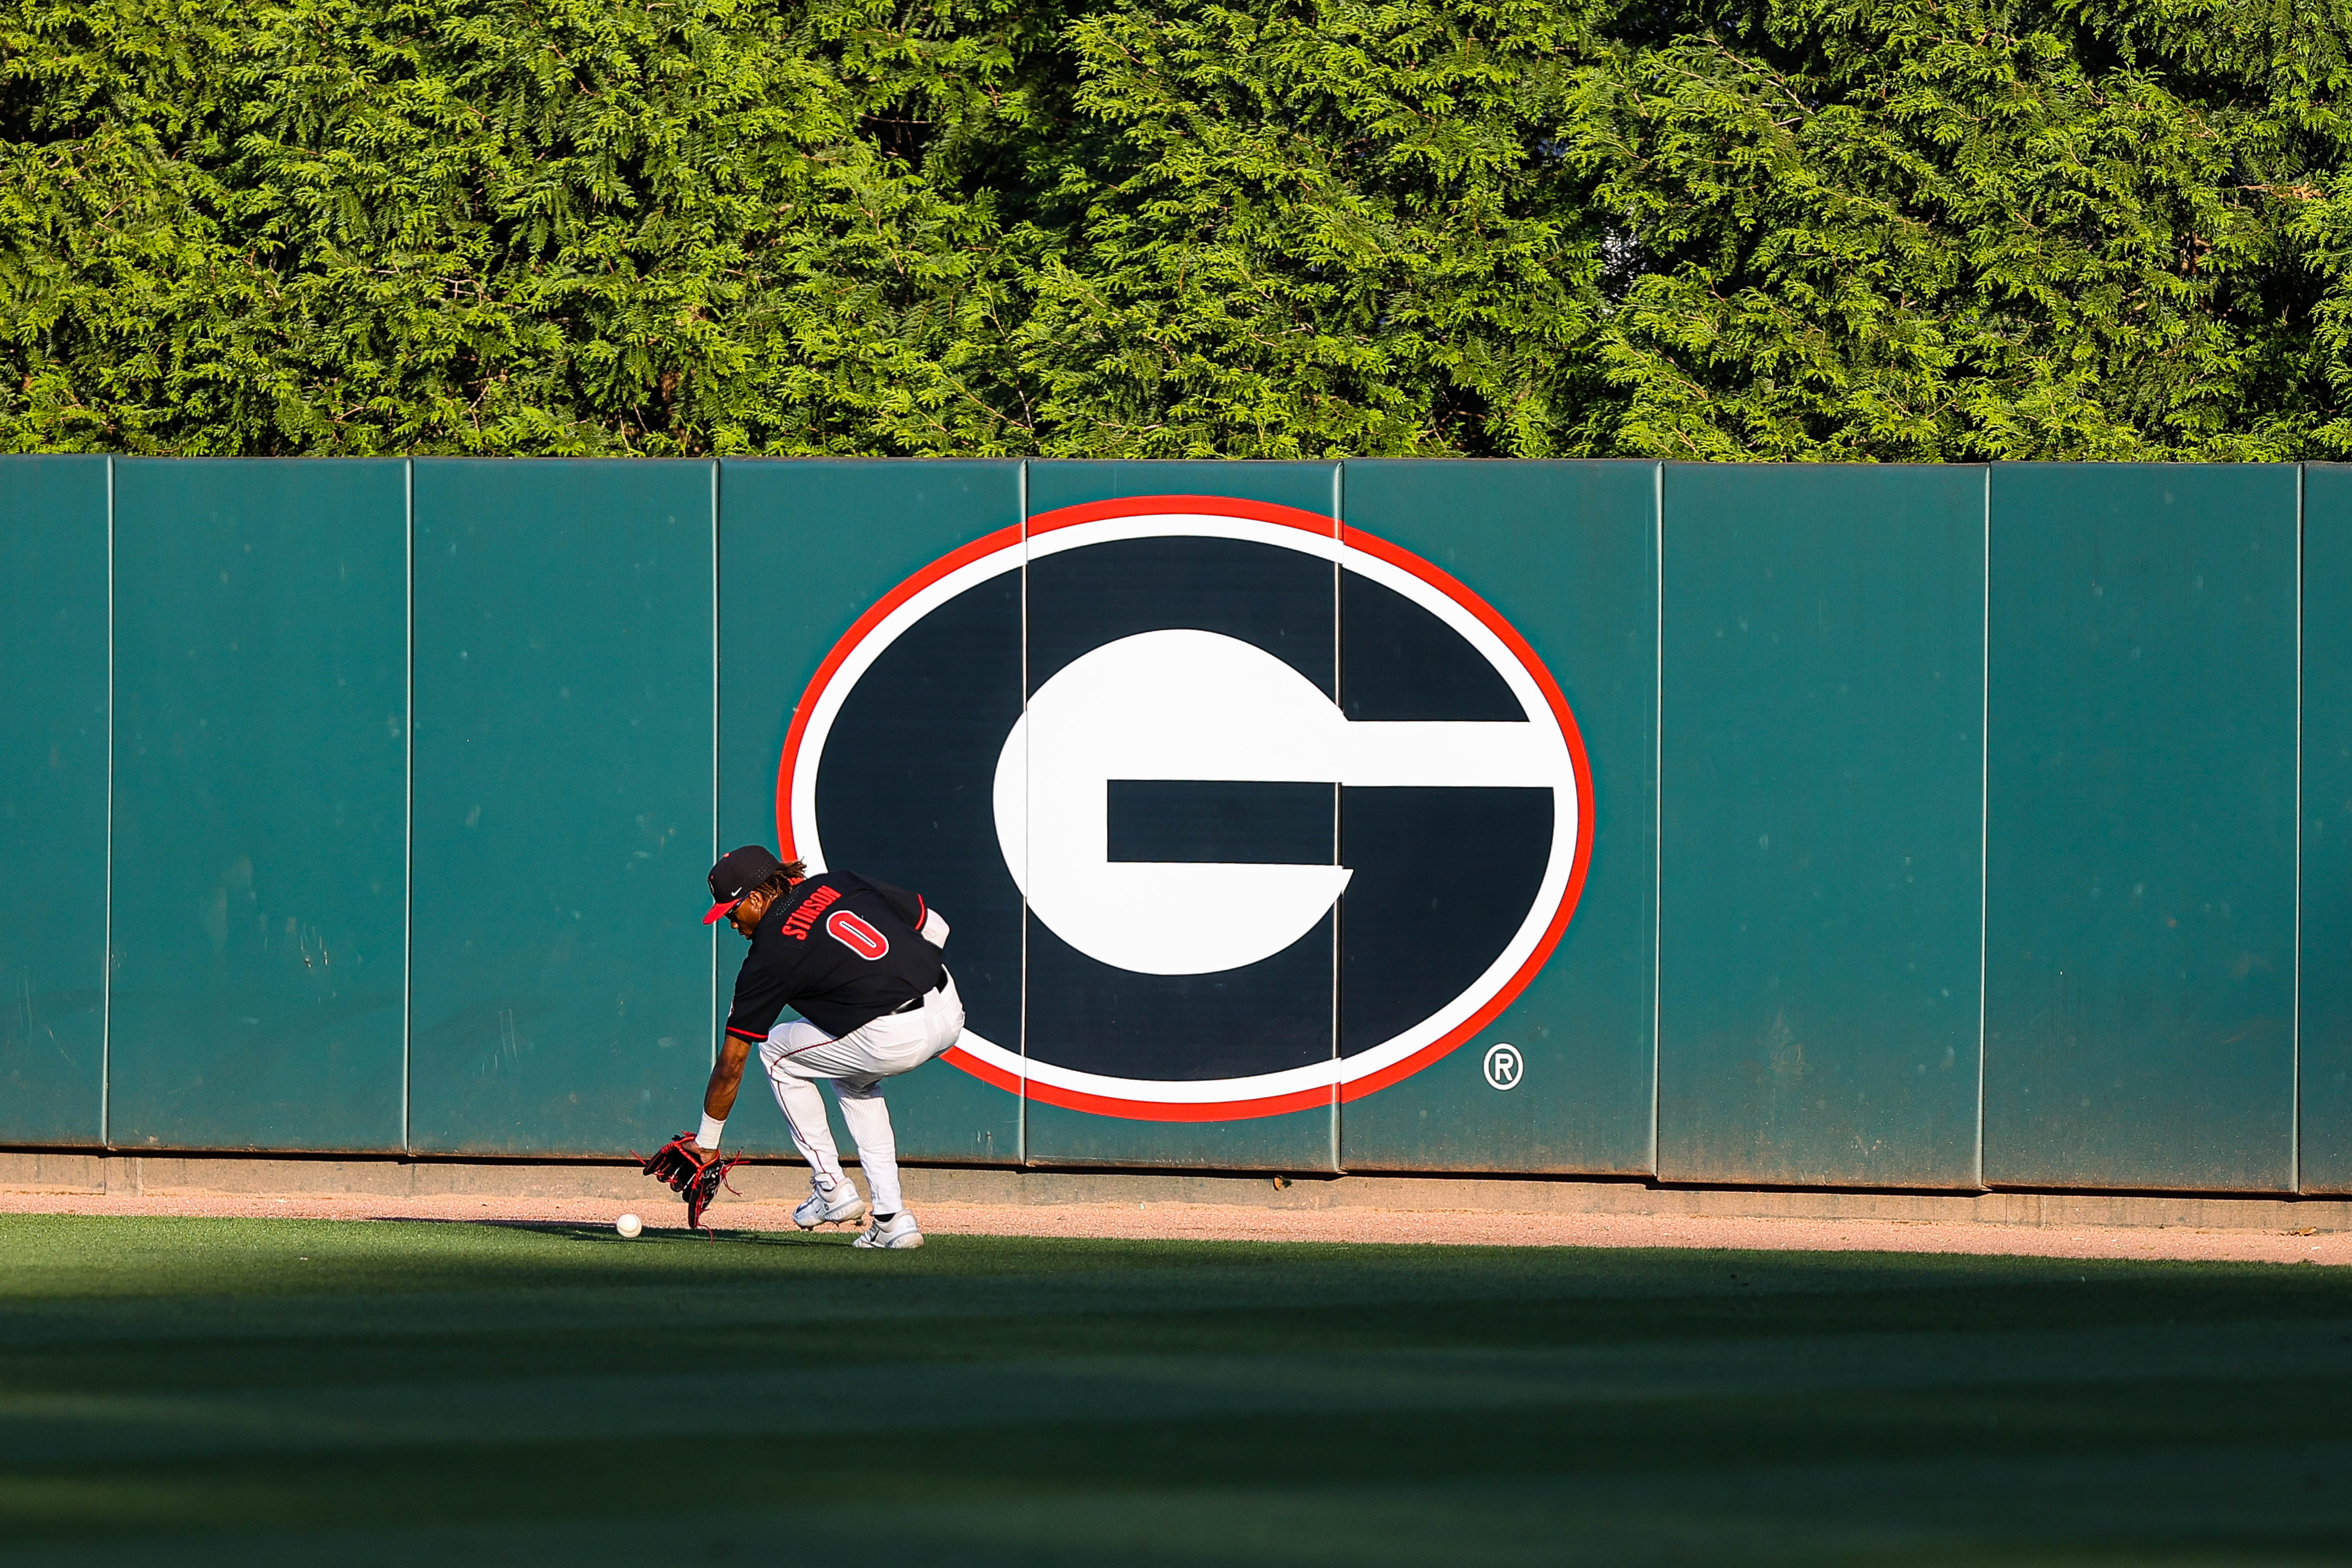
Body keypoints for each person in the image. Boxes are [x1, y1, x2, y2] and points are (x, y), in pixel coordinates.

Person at [685, 844, 962, 1249]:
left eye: (733, 909)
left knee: (776, 1053)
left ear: (759, 897)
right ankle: (891, 1219)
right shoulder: (841, 882)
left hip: (893, 1035)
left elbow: (732, 1063)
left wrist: (706, 1143)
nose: (730, 921)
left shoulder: (769, 956)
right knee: (853, 1079)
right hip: (950, 1008)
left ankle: (832, 1189)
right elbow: (936, 926)